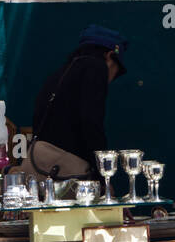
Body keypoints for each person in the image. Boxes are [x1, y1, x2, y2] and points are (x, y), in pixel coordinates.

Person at [27, 25, 127, 179]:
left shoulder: (63, 72)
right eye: (116, 70)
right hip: (68, 172)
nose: (112, 78)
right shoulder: (96, 67)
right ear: (109, 55)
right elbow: (91, 122)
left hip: (36, 163)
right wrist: (101, 175)